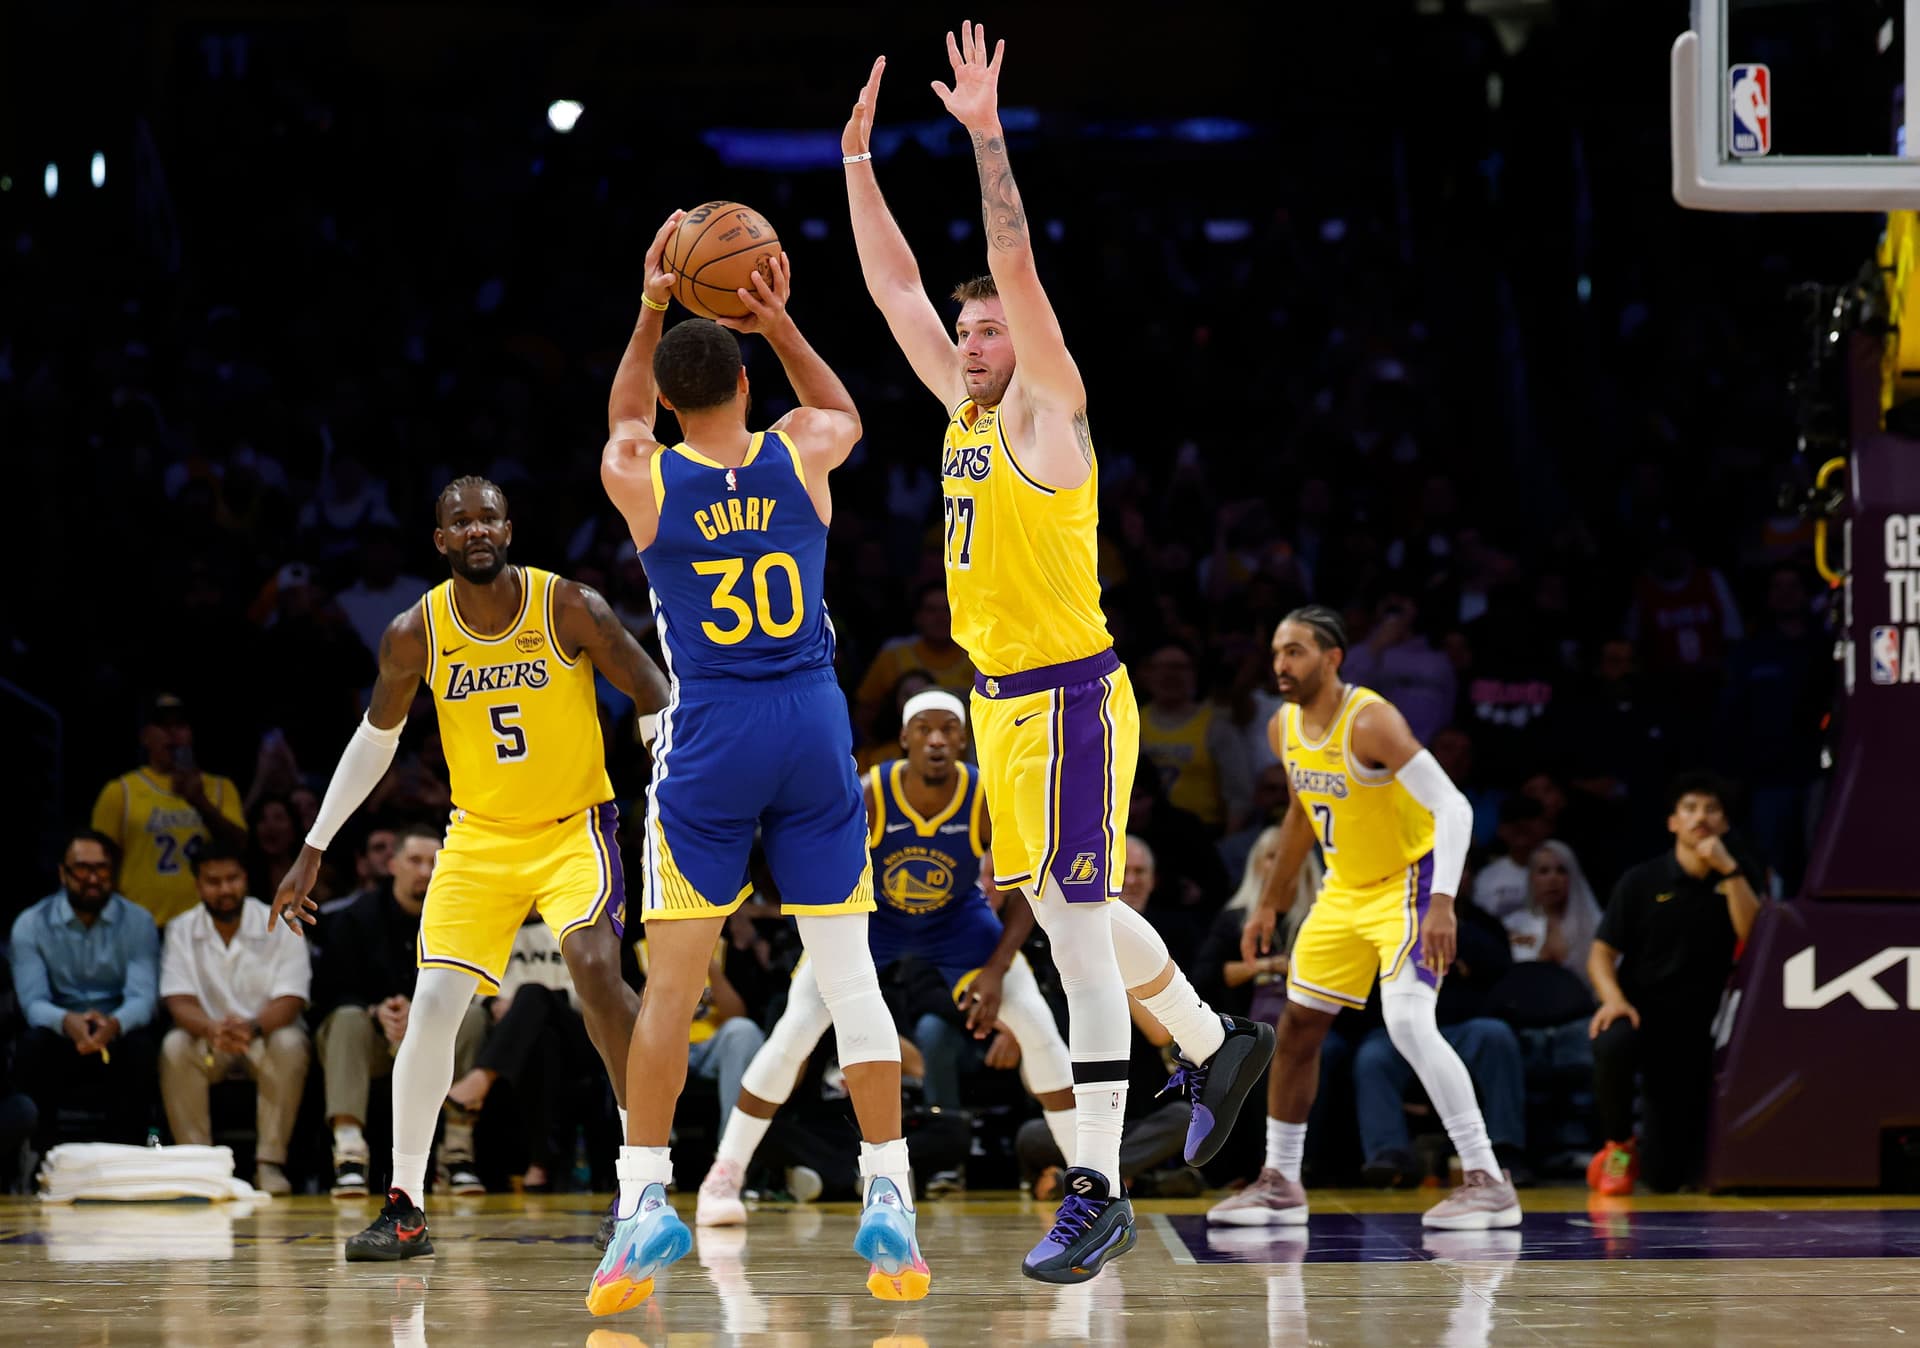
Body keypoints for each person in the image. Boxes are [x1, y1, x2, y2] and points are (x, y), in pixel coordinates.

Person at [843, 25, 1273, 1284]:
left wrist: (984, 135)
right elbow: (895, 294)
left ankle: (1095, 1187)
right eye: (968, 335)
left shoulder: (1047, 407)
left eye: (988, 331)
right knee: (1067, 930)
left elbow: (1008, 260)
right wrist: (860, 163)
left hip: (1076, 700)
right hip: (1000, 711)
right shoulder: (964, 414)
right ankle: (1211, 1041)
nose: (970, 342)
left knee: (1079, 937)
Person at [589, 211, 925, 1314]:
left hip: (715, 734)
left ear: (679, 400)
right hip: (813, 722)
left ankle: (645, 1201)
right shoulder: (800, 451)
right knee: (851, 974)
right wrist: (779, 321)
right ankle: (891, 1194)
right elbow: (842, 408)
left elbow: (623, 419)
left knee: (672, 984)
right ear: (744, 381)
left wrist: (651, 303)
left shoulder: (646, 474)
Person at [271, 477, 670, 1261]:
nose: (477, 528)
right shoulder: (413, 631)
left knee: (593, 969)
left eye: (489, 515)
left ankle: (641, 1180)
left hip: (573, 829)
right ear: (441, 541)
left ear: (509, 528)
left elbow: (654, 691)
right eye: (461, 521)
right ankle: (407, 1204)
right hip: (478, 839)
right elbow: (375, 741)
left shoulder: (570, 607)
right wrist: (315, 844)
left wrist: (676, 790)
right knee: (434, 1007)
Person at [693, 689, 1077, 1227]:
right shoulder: (873, 793)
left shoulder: (983, 795)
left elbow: (1030, 889)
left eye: (948, 729)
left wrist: (995, 969)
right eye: (925, 729)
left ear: (965, 741)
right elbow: (811, 862)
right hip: (872, 918)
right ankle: (724, 1174)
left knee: (1038, 1028)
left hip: (958, 924)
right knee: (796, 1030)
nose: (937, 739)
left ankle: (1092, 1179)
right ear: (904, 739)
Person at [1216, 606, 1522, 1229]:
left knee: (1408, 1023)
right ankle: (1281, 1181)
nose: (1281, 663)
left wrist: (1443, 903)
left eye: (1296, 650)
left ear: (1333, 659)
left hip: (1408, 886)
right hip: (1343, 891)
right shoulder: (1283, 728)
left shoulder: (1372, 721)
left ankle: (1488, 1178)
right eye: (1277, 650)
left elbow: (1454, 809)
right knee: (1297, 1028)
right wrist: (1270, 901)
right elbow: (1302, 813)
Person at [1586, 773, 1762, 1195]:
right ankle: (1618, 1146)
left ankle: (1662, 1158)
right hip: (1641, 1015)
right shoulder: (1641, 881)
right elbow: (1601, 952)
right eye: (1690, 808)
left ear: (1723, 823)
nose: (1700, 817)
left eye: (1711, 809)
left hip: (1700, 1029)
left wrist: (1730, 870)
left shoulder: (1739, 877)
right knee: (1612, 1039)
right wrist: (1612, 1000)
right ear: (1672, 823)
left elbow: (1755, 938)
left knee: (1666, 1179)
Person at [311, 827, 486, 1199]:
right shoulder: (356, 917)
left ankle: (457, 1151)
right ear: (392, 865)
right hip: (372, 1040)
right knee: (345, 1019)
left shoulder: (460, 918)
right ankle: (349, 1154)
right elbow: (326, 992)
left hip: (433, 1039)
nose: (425, 871)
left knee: (472, 1016)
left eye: (434, 862)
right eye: (415, 861)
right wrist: (376, 1011)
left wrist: (420, 1015)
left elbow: (474, 984)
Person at [157, 841, 310, 1195]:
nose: (225, 889)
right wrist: (213, 1029)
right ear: (197, 885)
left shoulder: (282, 920)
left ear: (246, 879)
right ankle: (199, 1165)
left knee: (290, 1041)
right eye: (213, 881)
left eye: (232, 879)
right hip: (209, 1040)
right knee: (175, 1044)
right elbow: (178, 999)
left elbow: (291, 997)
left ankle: (269, 1164)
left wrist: (251, 1027)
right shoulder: (181, 928)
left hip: (264, 1038)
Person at [9, 831, 161, 1154]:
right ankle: (41, 1159)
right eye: (82, 869)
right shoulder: (31, 924)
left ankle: (128, 1159)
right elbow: (32, 1001)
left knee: (143, 1049)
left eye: (102, 869)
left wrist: (113, 1025)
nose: (93, 878)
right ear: (63, 873)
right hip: (61, 1035)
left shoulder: (139, 921)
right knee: (32, 1045)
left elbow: (143, 998)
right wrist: (68, 1021)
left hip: (116, 1034)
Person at [91, 694, 249, 926]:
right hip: (142, 926)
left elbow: (240, 847)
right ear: (145, 736)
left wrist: (200, 802)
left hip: (207, 924)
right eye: (163, 726)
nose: (173, 733)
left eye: (180, 726)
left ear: (191, 734)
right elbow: (99, 863)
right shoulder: (120, 791)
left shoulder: (220, 788)